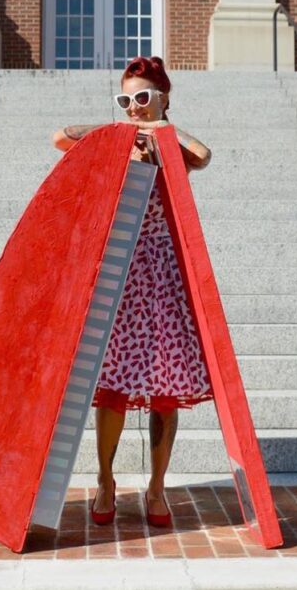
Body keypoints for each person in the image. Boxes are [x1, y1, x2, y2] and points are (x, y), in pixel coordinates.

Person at [52, 56, 213, 528]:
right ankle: (105, 479)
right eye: (127, 99)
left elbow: (202, 153)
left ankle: (158, 486)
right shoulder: (117, 142)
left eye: (143, 96)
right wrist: (119, 127)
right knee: (112, 387)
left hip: (162, 276)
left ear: (164, 97)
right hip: (118, 273)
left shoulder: (169, 143)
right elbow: (61, 136)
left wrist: (162, 127)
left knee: (166, 387)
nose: (134, 106)